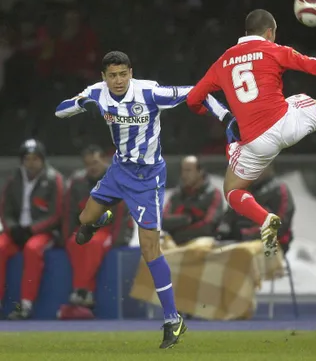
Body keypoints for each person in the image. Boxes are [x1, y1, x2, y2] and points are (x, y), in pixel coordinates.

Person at [54, 51, 237, 349]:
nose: (117, 80)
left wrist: (226, 117)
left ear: (131, 72)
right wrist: (82, 103)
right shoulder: (97, 93)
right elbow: (59, 110)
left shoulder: (150, 92)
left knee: (150, 249)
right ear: (104, 77)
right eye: (112, 75)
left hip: (148, 178)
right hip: (118, 170)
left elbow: (198, 92)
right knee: (84, 220)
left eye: (122, 74)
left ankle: (172, 319)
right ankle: (105, 217)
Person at [187, 9, 316, 257]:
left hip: (255, 143)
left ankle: (265, 219)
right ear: (270, 32)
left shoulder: (223, 61)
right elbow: (310, 64)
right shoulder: (272, 49)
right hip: (285, 123)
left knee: (233, 191)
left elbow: (193, 99)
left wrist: (220, 116)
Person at [60, 145, 134, 319]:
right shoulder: (77, 182)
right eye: (88, 164)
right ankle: (86, 294)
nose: (92, 167)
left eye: (95, 162)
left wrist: (118, 239)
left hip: (109, 228)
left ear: (104, 160)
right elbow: (69, 211)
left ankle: (82, 290)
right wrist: (65, 236)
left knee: (93, 243)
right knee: (74, 242)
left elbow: (124, 214)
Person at [0, 139, 64, 319]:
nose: (31, 163)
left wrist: (32, 230)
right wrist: (12, 228)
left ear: (42, 159)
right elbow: (5, 210)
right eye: (27, 159)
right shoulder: (13, 179)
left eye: (35, 158)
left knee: (32, 249)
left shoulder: (54, 179)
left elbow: (56, 214)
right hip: (16, 231)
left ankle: (26, 305)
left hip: (43, 232)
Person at [217, 164, 295, 255]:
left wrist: (246, 234)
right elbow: (230, 213)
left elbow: (280, 223)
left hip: (269, 243)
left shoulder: (280, 189)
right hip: (237, 241)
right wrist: (224, 229)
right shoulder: (242, 188)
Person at [162, 156, 223, 246]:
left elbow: (208, 226)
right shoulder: (176, 195)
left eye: (188, 170)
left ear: (200, 172)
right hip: (175, 244)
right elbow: (163, 221)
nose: (184, 175)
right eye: (183, 170)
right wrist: (186, 219)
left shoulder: (213, 194)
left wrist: (178, 232)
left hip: (201, 245)